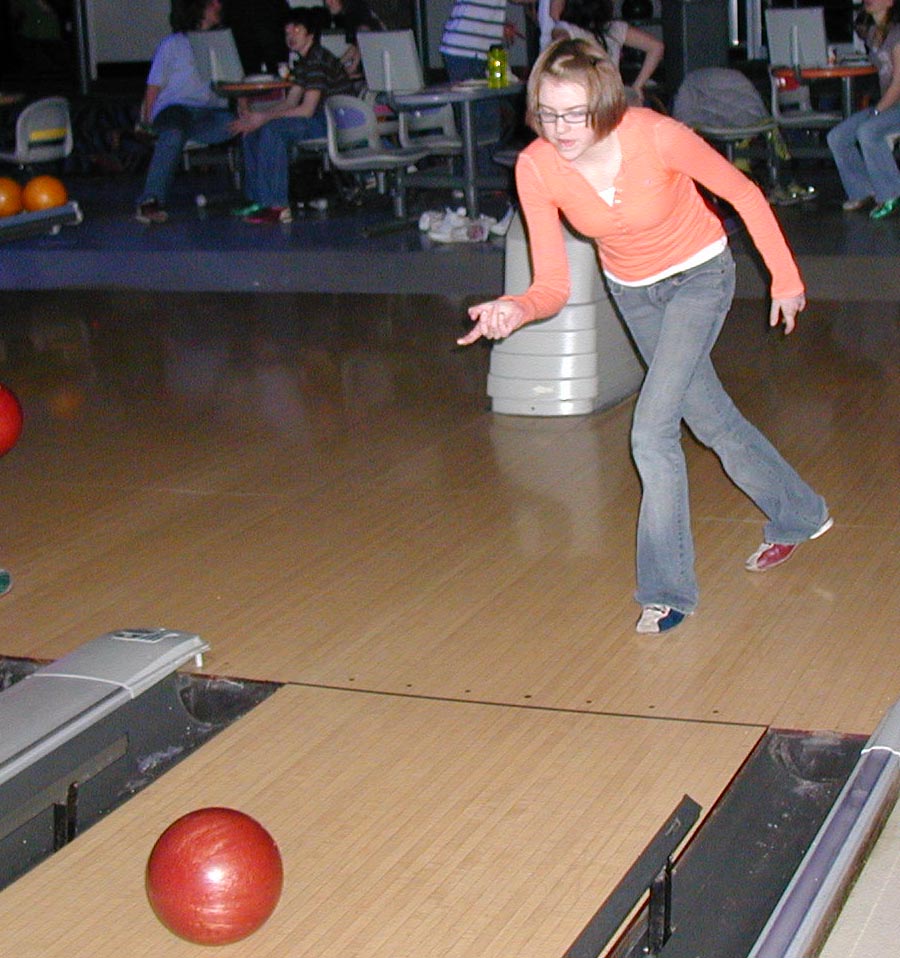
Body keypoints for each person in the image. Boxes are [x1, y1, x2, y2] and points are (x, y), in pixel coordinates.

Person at [457, 39, 832, 635]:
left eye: (574, 114)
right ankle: (800, 513)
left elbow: (743, 193)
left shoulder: (656, 135)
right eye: (547, 114)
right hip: (633, 293)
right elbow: (551, 284)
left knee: (651, 431)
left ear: (605, 102)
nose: (560, 129)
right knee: (708, 417)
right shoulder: (536, 167)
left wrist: (785, 279)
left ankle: (667, 590)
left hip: (700, 277)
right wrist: (516, 308)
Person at [230, 7, 355, 224]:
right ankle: (258, 200)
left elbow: (306, 110)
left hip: (336, 121)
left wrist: (264, 118)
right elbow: (289, 102)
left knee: (273, 130)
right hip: (318, 118)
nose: (291, 37)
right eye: (287, 32)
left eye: (297, 30)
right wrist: (256, 117)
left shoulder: (317, 59)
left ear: (311, 34)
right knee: (252, 130)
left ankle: (278, 206)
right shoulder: (304, 62)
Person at [135, 0, 235, 224]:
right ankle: (150, 200)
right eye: (212, 3)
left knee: (238, 125)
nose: (218, 5)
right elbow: (154, 86)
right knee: (174, 131)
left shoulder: (219, 44)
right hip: (175, 108)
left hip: (208, 113)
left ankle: (256, 196)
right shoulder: (173, 44)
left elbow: (232, 81)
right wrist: (148, 119)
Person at [826, 0, 900, 219]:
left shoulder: (897, 34)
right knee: (838, 136)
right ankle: (862, 190)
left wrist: (877, 112)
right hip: (889, 105)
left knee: (868, 130)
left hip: (894, 104)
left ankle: (890, 193)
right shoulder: (874, 34)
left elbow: (898, 83)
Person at [440, 0, 529, 167]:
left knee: (489, 119)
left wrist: (496, 24)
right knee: (479, 121)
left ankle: (479, 173)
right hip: (466, 50)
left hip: (477, 49)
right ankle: (478, 174)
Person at [551, 0, 663, 104]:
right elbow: (657, 47)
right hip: (613, 98)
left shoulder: (566, 29)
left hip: (584, 99)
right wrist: (637, 86)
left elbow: (559, 47)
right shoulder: (615, 28)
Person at [321, 0, 384, 79]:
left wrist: (353, 66)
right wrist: (337, 65)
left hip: (376, 66)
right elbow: (355, 47)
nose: (327, 3)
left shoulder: (356, 12)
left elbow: (364, 39)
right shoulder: (351, 13)